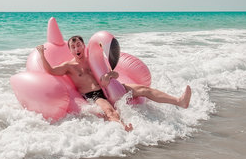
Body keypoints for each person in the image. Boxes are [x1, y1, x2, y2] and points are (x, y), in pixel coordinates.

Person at [36, 35, 191, 131]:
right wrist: (42, 54)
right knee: (109, 111)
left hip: (110, 87)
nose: (77, 48)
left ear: (84, 46)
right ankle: (123, 127)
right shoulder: (69, 66)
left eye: (79, 45)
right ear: (70, 50)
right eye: (73, 46)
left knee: (144, 89)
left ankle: (180, 101)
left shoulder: (93, 61)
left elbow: (115, 72)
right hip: (94, 95)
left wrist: (109, 75)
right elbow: (50, 70)